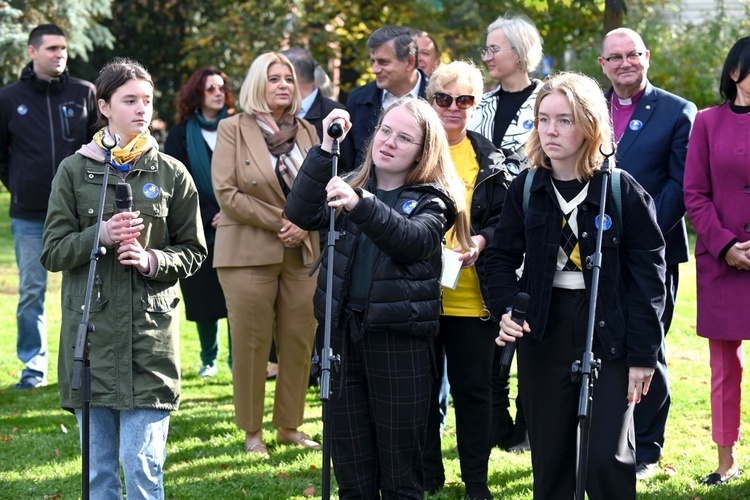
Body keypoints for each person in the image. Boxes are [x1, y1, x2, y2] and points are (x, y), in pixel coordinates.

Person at [484, 71, 666, 499]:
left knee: (607, 457)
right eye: (543, 119)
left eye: (564, 120)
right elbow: (499, 258)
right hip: (543, 332)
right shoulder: (526, 188)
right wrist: (508, 306)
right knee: (551, 457)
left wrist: (643, 355)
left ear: (589, 124)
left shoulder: (621, 191)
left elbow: (649, 280)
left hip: (610, 332)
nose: (550, 130)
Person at [285, 99, 473, 499]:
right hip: (341, 337)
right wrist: (323, 151)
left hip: (398, 343)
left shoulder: (432, 198)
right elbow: (300, 212)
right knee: (352, 470)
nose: (388, 142)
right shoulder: (353, 183)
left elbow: (413, 241)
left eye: (404, 138)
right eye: (385, 131)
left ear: (424, 151)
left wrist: (360, 204)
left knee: (400, 471)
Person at [40, 57, 207, 499]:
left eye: (147, 101)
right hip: (90, 342)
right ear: (104, 106)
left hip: (148, 345)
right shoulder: (74, 171)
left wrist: (152, 260)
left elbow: (194, 252)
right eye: (129, 100)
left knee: (143, 467)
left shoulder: (172, 173)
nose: (141, 109)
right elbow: (53, 252)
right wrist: (101, 235)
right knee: (98, 476)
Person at [598, 27, 697, 479]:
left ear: (647, 57)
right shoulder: (588, 105)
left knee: (648, 343)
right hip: (594, 248)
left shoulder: (678, 112)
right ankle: (605, 435)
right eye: (614, 57)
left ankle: (647, 447)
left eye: (632, 54)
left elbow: (682, 184)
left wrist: (642, 230)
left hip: (651, 250)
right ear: (603, 64)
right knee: (601, 342)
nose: (624, 63)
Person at [211, 51, 320, 457]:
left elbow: (327, 188)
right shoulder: (232, 129)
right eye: (274, 78)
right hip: (247, 253)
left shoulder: (310, 131)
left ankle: (290, 426)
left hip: (302, 252)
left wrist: (304, 223)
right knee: (252, 343)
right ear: (257, 84)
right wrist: (285, 220)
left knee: (298, 340)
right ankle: (252, 432)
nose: (283, 85)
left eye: (288, 79)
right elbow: (227, 193)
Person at [421, 61, 515, 499]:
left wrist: (481, 239)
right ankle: (429, 475)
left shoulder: (492, 158)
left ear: (477, 105)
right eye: (443, 98)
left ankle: (476, 482)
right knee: (420, 397)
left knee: (474, 396)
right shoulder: (411, 151)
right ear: (430, 100)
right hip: (417, 297)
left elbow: (505, 221)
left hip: (472, 300)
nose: (453, 108)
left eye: (464, 100)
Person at [0, 23, 97, 390]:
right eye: (52, 48)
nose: (59, 54)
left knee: (89, 289)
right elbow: (1, 157)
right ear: (32, 52)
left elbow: (100, 149)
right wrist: (19, 187)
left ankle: (86, 360)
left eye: (63, 49)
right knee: (31, 292)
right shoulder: (8, 98)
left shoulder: (84, 93)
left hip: (82, 214)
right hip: (30, 215)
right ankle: (33, 367)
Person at [468, 11, 545, 452]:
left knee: (531, 328)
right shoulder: (480, 105)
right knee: (491, 330)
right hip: (489, 231)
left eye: (493, 48)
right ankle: (498, 422)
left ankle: (530, 425)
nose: (487, 56)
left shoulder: (549, 102)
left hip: (537, 229)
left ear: (519, 52)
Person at [684, 35, 750, 487]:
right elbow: (694, 193)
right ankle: (725, 462)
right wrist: (726, 245)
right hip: (722, 263)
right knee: (724, 368)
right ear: (735, 73)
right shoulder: (706, 122)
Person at [164, 67, 235, 378]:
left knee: (239, 296)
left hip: (239, 222)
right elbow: (179, 182)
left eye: (221, 87)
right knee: (205, 295)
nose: (218, 93)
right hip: (198, 226)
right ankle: (209, 358)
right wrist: (209, 215)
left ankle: (238, 359)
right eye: (210, 89)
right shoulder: (180, 135)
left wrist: (231, 213)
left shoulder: (238, 127)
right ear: (197, 94)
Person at [345, 25, 427, 168]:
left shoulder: (441, 100)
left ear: (409, 62)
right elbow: (347, 163)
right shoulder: (358, 100)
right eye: (373, 61)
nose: (374, 70)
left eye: (383, 62)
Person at [281, 47, 355, 173]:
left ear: (293, 76)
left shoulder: (336, 116)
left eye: (279, 76)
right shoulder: (273, 111)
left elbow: (347, 170)